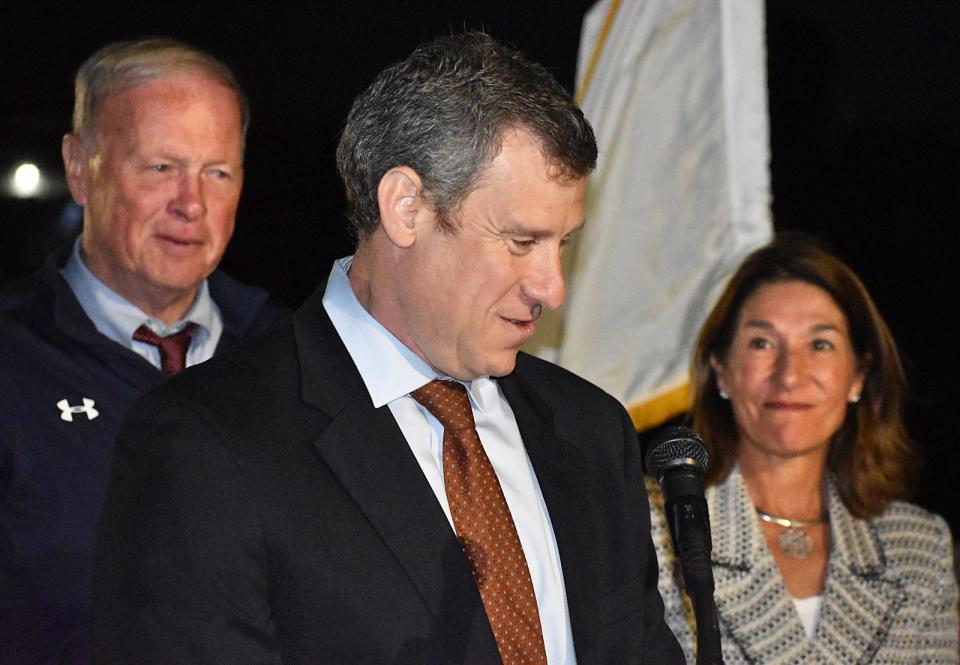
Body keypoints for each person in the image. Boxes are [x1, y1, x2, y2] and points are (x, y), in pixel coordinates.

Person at [91, 32, 684, 664]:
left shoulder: (590, 430)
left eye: (562, 244)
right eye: (520, 242)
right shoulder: (205, 444)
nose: (552, 288)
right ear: (406, 208)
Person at [0, 38, 288, 664]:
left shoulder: (294, 361)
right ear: (79, 169)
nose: (192, 204)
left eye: (218, 172)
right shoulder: (12, 358)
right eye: (160, 168)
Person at [649, 233, 959, 663]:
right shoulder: (652, 529)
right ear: (720, 369)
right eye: (762, 343)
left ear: (858, 375)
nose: (790, 375)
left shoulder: (919, 549)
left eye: (820, 345)